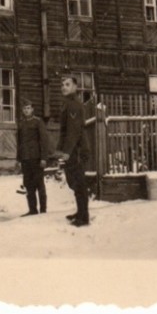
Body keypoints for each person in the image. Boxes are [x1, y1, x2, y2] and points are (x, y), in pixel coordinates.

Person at [56, 75, 91, 227]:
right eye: (62, 84)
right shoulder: (68, 103)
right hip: (73, 149)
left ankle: (84, 218)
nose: (64, 87)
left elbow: (74, 131)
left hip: (77, 150)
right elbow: (65, 131)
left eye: (68, 84)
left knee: (78, 183)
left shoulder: (74, 105)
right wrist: (60, 149)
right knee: (74, 182)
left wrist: (68, 151)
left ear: (75, 87)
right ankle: (80, 212)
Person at [16, 97, 49, 216]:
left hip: (36, 158)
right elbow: (19, 143)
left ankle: (43, 210)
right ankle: (32, 210)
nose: (26, 110)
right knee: (28, 184)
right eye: (24, 108)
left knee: (39, 184)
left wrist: (44, 158)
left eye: (28, 108)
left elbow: (44, 141)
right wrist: (18, 159)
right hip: (25, 158)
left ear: (32, 109)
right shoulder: (21, 124)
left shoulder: (38, 122)